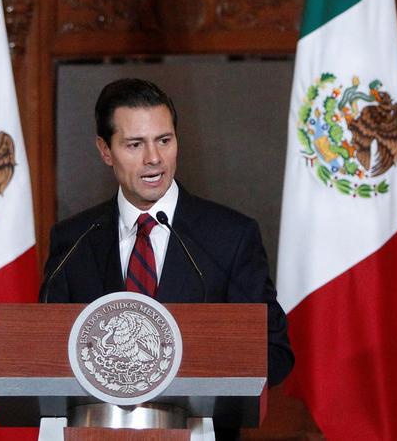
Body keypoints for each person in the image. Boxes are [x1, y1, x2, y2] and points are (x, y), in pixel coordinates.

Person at [39, 78, 294, 392]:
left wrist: (206, 376)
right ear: (105, 150)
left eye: (164, 140)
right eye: (135, 144)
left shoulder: (231, 237)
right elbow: (46, 355)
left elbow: (274, 350)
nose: (154, 158)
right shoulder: (74, 241)